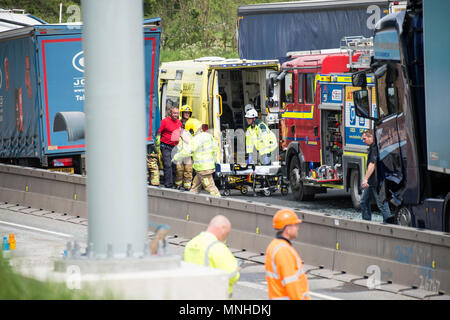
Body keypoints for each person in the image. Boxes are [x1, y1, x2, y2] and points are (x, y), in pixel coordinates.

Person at [184, 215, 240, 299]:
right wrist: (237, 270)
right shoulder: (218, 247)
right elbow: (232, 276)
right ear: (222, 229)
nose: (225, 238)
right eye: (227, 234)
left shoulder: (191, 243)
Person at [265, 208, 310, 300]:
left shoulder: (275, 245)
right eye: (295, 225)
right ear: (287, 229)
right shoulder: (283, 251)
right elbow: (292, 284)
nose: (297, 228)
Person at [173, 118, 220, 197]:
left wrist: (176, 156)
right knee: (195, 187)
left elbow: (188, 150)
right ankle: (191, 202)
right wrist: (213, 161)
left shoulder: (197, 138)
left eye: (190, 131)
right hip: (206, 167)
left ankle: (219, 202)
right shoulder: (208, 135)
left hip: (203, 168)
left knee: (210, 187)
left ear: (192, 129)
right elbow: (215, 149)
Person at [361, 129, 393, 222]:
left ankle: (389, 223)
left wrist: (365, 179)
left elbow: (372, 164)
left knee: (381, 204)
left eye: (364, 139)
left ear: (371, 137)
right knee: (363, 201)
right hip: (372, 181)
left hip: (376, 181)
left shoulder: (375, 148)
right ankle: (366, 222)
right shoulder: (373, 147)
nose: (363, 141)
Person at [157, 105, 182, 188]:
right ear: (170, 113)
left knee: (174, 166)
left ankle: (173, 182)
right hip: (166, 146)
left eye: (177, 113)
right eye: (174, 113)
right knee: (167, 165)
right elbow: (158, 132)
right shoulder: (164, 121)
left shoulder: (179, 122)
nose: (175, 115)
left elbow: (181, 134)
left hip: (175, 147)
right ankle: (168, 184)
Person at [174, 105, 194, 191]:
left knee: (188, 170)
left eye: (188, 113)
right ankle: (178, 184)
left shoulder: (193, 124)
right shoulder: (177, 123)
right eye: (185, 112)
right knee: (179, 170)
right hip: (179, 150)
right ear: (182, 113)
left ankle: (187, 185)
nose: (187, 114)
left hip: (189, 151)